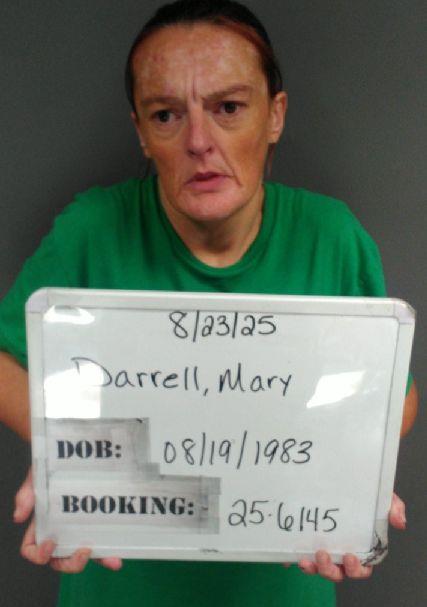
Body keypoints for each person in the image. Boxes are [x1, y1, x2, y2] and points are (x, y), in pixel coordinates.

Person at [0, 0, 418, 606]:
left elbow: (396, 393)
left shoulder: (331, 236)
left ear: (274, 116)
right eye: (166, 115)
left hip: (281, 584)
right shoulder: (91, 230)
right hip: (120, 585)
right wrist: (68, 451)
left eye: (228, 108)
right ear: (142, 133)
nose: (199, 141)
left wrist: (352, 472)